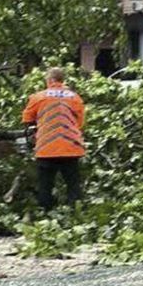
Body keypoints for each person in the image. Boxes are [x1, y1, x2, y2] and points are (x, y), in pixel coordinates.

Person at [22, 67, 85, 209]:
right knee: (73, 184)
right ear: (62, 80)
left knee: (45, 184)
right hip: (70, 147)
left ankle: (46, 213)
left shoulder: (38, 97)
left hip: (46, 147)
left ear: (49, 80)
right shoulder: (74, 97)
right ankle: (76, 213)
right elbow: (80, 123)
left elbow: (27, 119)